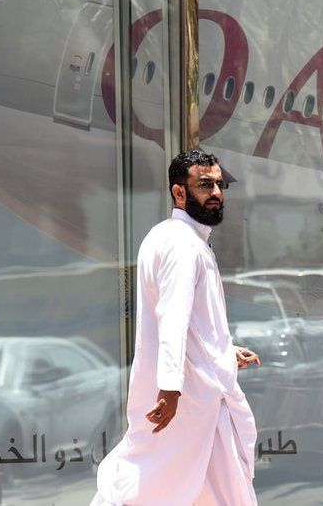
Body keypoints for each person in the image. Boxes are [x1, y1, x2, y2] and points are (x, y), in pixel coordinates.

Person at [93, 150, 261, 506]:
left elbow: (191, 321)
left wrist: (224, 352)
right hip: (188, 402)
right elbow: (172, 316)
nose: (216, 192)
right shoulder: (183, 245)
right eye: (204, 185)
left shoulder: (179, 239)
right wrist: (170, 390)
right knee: (149, 488)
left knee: (210, 493)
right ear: (179, 192)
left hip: (201, 397)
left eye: (219, 184)